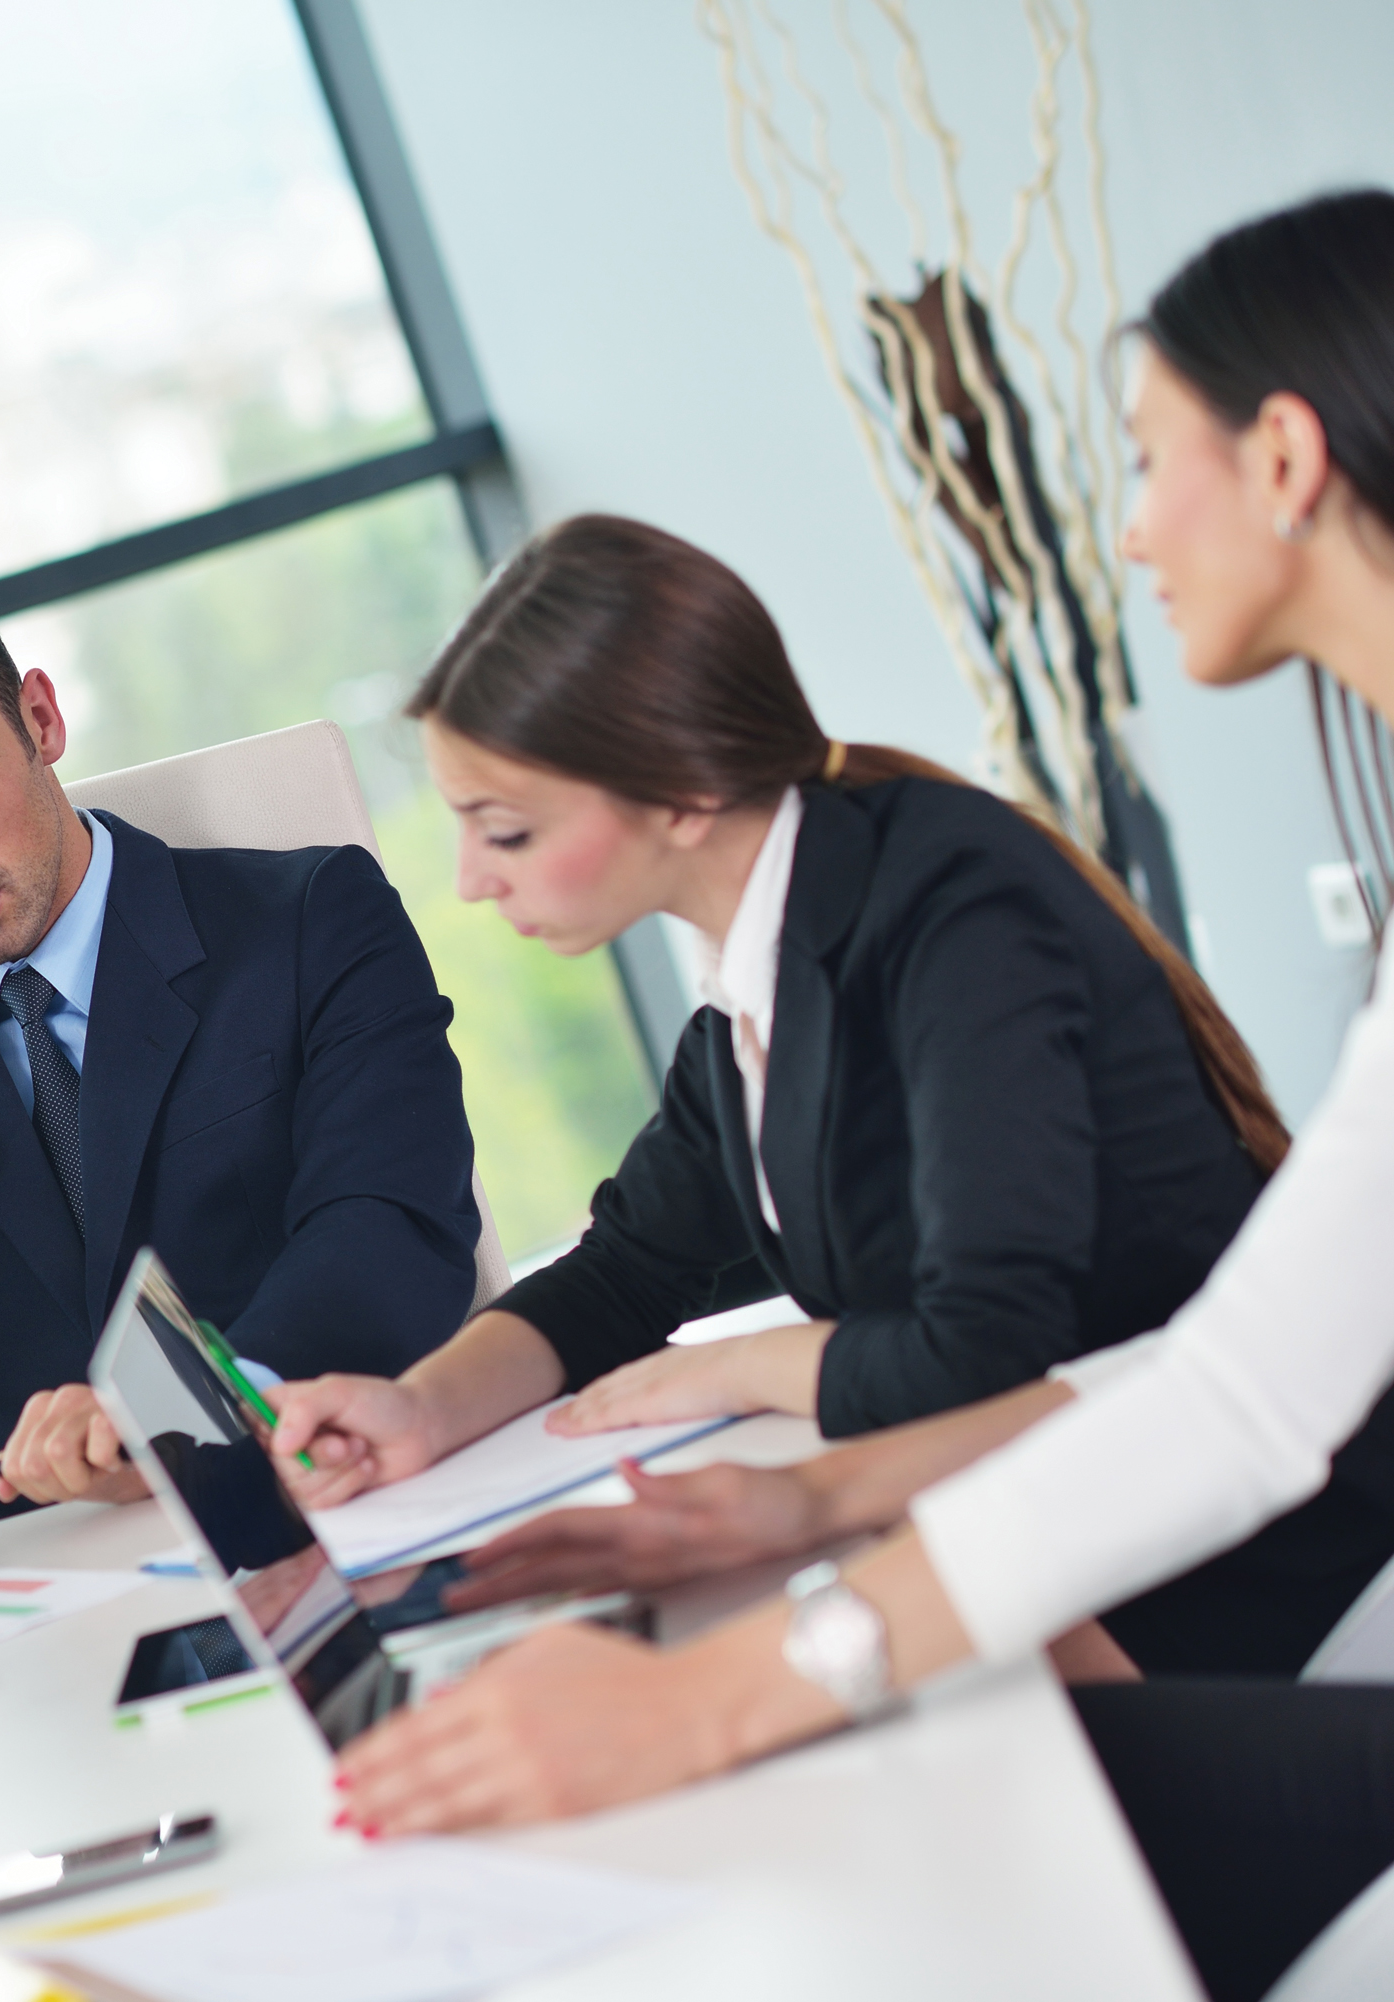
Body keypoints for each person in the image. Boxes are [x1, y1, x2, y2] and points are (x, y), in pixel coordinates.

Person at [316, 188, 1394, 2002]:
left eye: (1146, 457)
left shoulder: (939, 896)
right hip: (1211, 1506)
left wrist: (724, 1672)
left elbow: (1224, 1401)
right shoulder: (765, 971)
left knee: (919, 1859)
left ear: (1283, 456)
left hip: (1280, 1562)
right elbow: (1223, 1381)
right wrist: (796, 1515)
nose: (1126, 526)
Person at [265, 512, 1394, 1673]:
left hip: (1251, 1558)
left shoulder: (950, 910)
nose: (468, 880)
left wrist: (735, 1367)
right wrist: (421, 1409)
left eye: (505, 829)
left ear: (684, 797)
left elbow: (982, 1348)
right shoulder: (752, 973)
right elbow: (626, 1270)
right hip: (1079, 1522)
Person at [0, 550, 480, 1527]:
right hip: (49, 1624)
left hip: (328, 1518)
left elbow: (395, 1230)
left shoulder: (305, 919)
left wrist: (180, 1410)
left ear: (40, 718)